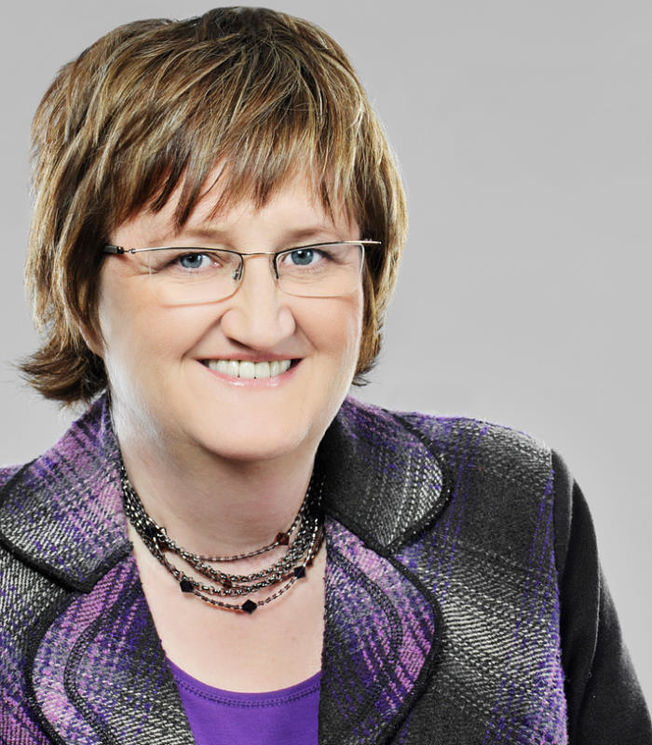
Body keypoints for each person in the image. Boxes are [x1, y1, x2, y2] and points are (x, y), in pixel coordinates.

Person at [0, 7, 649, 744]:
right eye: (194, 257)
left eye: (307, 254)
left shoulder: (511, 511)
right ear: (82, 293)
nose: (263, 322)